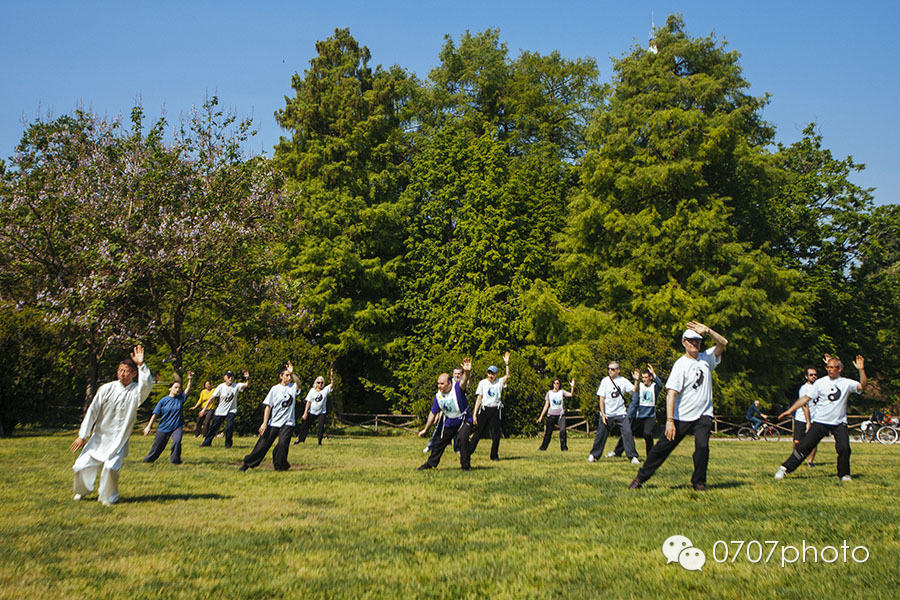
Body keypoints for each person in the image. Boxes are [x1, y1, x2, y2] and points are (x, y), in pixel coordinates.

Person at [629, 322, 728, 491]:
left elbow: (723, 343)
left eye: (698, 341)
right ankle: (641, 477)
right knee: (662, 448)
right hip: (681, 416)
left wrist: (709, 331)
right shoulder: (680, 365)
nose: (695, 344)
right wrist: (669, 421)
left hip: (704, 414)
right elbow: (671, 394)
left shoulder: (707, 358)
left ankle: (699, 482)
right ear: (684, 342)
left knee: (702, 447)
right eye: (691, 341)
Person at [71, 346, 152, 506]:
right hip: (99, 439)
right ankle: (83, 491)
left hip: (118, 441)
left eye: (127, 371)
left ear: (134, 374)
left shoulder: (136, 392)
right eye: (120, 370)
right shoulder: (106, 388)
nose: (122, 373)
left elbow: (146, 386)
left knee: (110, 468)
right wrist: (83, 435)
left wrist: (142, 365)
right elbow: (92, 411)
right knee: (80, 466)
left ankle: (108, 497)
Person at [774, 355, 867, 482]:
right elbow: (805, 398)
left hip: (839, 422)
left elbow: (862, 386)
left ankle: (844, 474)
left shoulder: (846, 383)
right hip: (821, 422)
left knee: (844, 448)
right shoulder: (820, 382)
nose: (829, 370)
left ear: (839, 369)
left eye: (833, 367)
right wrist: (790, 410)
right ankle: (784, 469)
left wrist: (861, 370)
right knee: (804, 446)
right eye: (828, 367)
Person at [240, 362, 302, 471]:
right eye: (286, 375)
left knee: (283, 444)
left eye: (289, 375)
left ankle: (280, 467)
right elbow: (268, 407)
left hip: (288, 423)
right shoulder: (274, 389)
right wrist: (264, 423)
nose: (289, 378)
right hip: (274, 423)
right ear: (281, 376)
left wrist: (293, 374)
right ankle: (247, 464)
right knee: (262, 445)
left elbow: (299, 383)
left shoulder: (292, 387)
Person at [417, 358, 474, 470]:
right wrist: (425, 429)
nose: (439, 386)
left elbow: (464, 380)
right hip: (450, 421)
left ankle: (465, 466)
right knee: (440, 443)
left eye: (442, 384)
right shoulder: (438, 396)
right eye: (438, 384)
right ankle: (430, 464)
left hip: (464, 419)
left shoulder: (457, 388)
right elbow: (433, 414)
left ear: (449, 383)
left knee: (462, 439)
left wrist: (467, 372)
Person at [589, 361, 639, 464]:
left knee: (627, 433)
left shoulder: (623, 381)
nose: (610, 371)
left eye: (612, 369)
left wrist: (636, 381)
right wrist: (603, 414)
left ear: (618, 370)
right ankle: (594, 455)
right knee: (601, 435)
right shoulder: (605, 381)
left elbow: (634, 390)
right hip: (607, 414)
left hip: (620, 413)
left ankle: (633, 457)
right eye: (609, 369)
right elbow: (601, 399)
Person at [142, 372, 193, 464]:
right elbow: (155, 414)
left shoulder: (181, 398)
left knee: (177, 442)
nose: (178, 389)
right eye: (175, 387)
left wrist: (190, 379)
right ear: (170, 388)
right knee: (157, 447)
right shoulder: (163, 401)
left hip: (177, 427)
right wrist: (149, 426)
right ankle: (148, 461)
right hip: (164, 427)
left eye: (179, 388)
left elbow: (188, 389)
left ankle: (175, 461)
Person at [612, 365, 662, 458]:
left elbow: (660, 385)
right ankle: (617, 451)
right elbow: (634, 400)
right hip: (639, 416)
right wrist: (636, 380)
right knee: (628, 432)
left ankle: (650, 454)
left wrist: (654, 373)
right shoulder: (640, 386)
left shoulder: (654, 387)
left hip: (649, 416)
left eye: (646, 377)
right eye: (643, 378)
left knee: (647, 434)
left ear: (650, 378)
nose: (644, 380)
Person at [470, 352, 511, 461]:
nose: (491, 375)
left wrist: (507, 364)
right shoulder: (482, 383)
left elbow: (507, 376)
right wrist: (474, 414)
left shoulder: (499, 382)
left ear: (496, 374)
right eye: (489, 373)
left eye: (493, 373)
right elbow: (479, 399)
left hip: (496, 409)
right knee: (478, 432)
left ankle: (494, 455)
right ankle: (468, 451)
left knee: (496, 434)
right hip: (484, 409)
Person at [200, 370, 250, 448]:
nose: (230, 378)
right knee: (214, 427)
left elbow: (246, 385)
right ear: (225, 378)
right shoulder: (221, 386)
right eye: (228, 377)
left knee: (229, 427)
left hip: (231, 410)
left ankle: (228, 445)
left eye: (232, 377)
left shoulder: (236, 386)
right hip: (220, 410)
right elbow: (212, 398)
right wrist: (204, 409)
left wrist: (248, 378)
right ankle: (207, 442)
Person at [423, 367, 463, 454]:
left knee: (459, 432)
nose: (457, 375)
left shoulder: (460, 384)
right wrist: (439, 414)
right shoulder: (444, 386)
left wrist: (468, 372)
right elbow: (440, 402)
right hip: (447, 413)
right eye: (455, 373)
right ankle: (430, 446)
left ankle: (457, 449)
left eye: (459, 374)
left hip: (459, 414)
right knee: (438, 430)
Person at [295, 368, 335, 445]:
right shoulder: (312, 391)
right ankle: (300, 440)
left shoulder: (325, 390)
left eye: (322, 383)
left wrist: (332, 376)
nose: (320, 384)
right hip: (312, 411)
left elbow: (332, 385)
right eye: (318, 382)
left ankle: (319, 442)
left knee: (321, 426)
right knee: (305, 425)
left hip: (321, 412)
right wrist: (305, 413)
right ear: (316, 383)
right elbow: (308, 402)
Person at [537, 377, 574, 451]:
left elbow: (571, 395)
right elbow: (546, 405)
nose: (557, 385)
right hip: (551, 415)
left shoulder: (562, 392)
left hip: (560, 415)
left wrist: (572, 386)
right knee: (548, 433)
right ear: (553, 384)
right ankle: (543, 448)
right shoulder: (549, 393)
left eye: (558, 383)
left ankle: (564, 448)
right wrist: (541, 416)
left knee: (563, 431)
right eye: (555, 383)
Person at [794, 366, 818, 467]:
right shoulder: (804, 388)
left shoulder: (819, 386)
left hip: (815, 419)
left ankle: (810, 461)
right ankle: (796, 459)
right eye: (811, 375)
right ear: (806, 376)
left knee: (813, 442)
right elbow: (805, 406)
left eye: (815, 375)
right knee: (797, 441)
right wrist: (808, 421)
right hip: (801, 418)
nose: (813, 376)